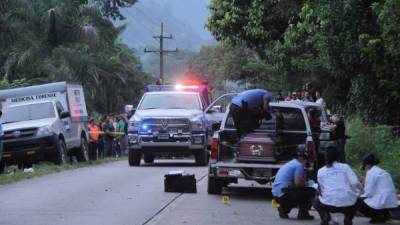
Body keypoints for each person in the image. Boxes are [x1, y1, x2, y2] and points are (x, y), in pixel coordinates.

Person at [313, 147, 362, 225]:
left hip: (328, 204)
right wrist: (361, 191)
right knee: (358, 200)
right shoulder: (345, 167)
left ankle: (325, 216)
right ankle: (348, 217)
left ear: (325, 157)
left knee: (315, 201)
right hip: (347, 204)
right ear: (338, 156)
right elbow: (355, 183)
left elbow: (321, 189)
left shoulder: (320, 171)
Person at [272, 147, 315, 220]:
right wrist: (307, 183)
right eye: (306, 160)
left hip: (277, 194)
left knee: (299, 191)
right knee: (310, 191)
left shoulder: (292, 162)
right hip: (284, 194)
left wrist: (304, 171)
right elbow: (298, 183)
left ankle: (284, 209)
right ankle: (303, 214)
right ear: (303, 158)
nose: (307, 162)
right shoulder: (299, 165)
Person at [357, 154, 398, 224]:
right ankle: (385, 215)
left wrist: (358, 195)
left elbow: (368, 193)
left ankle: (377, 217)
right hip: (391, 202)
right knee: (373, 199)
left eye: (364, 168)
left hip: (382, 202)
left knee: (356, 201)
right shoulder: (383, 172)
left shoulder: (371, 172)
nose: (365, 170)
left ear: (367, 165)